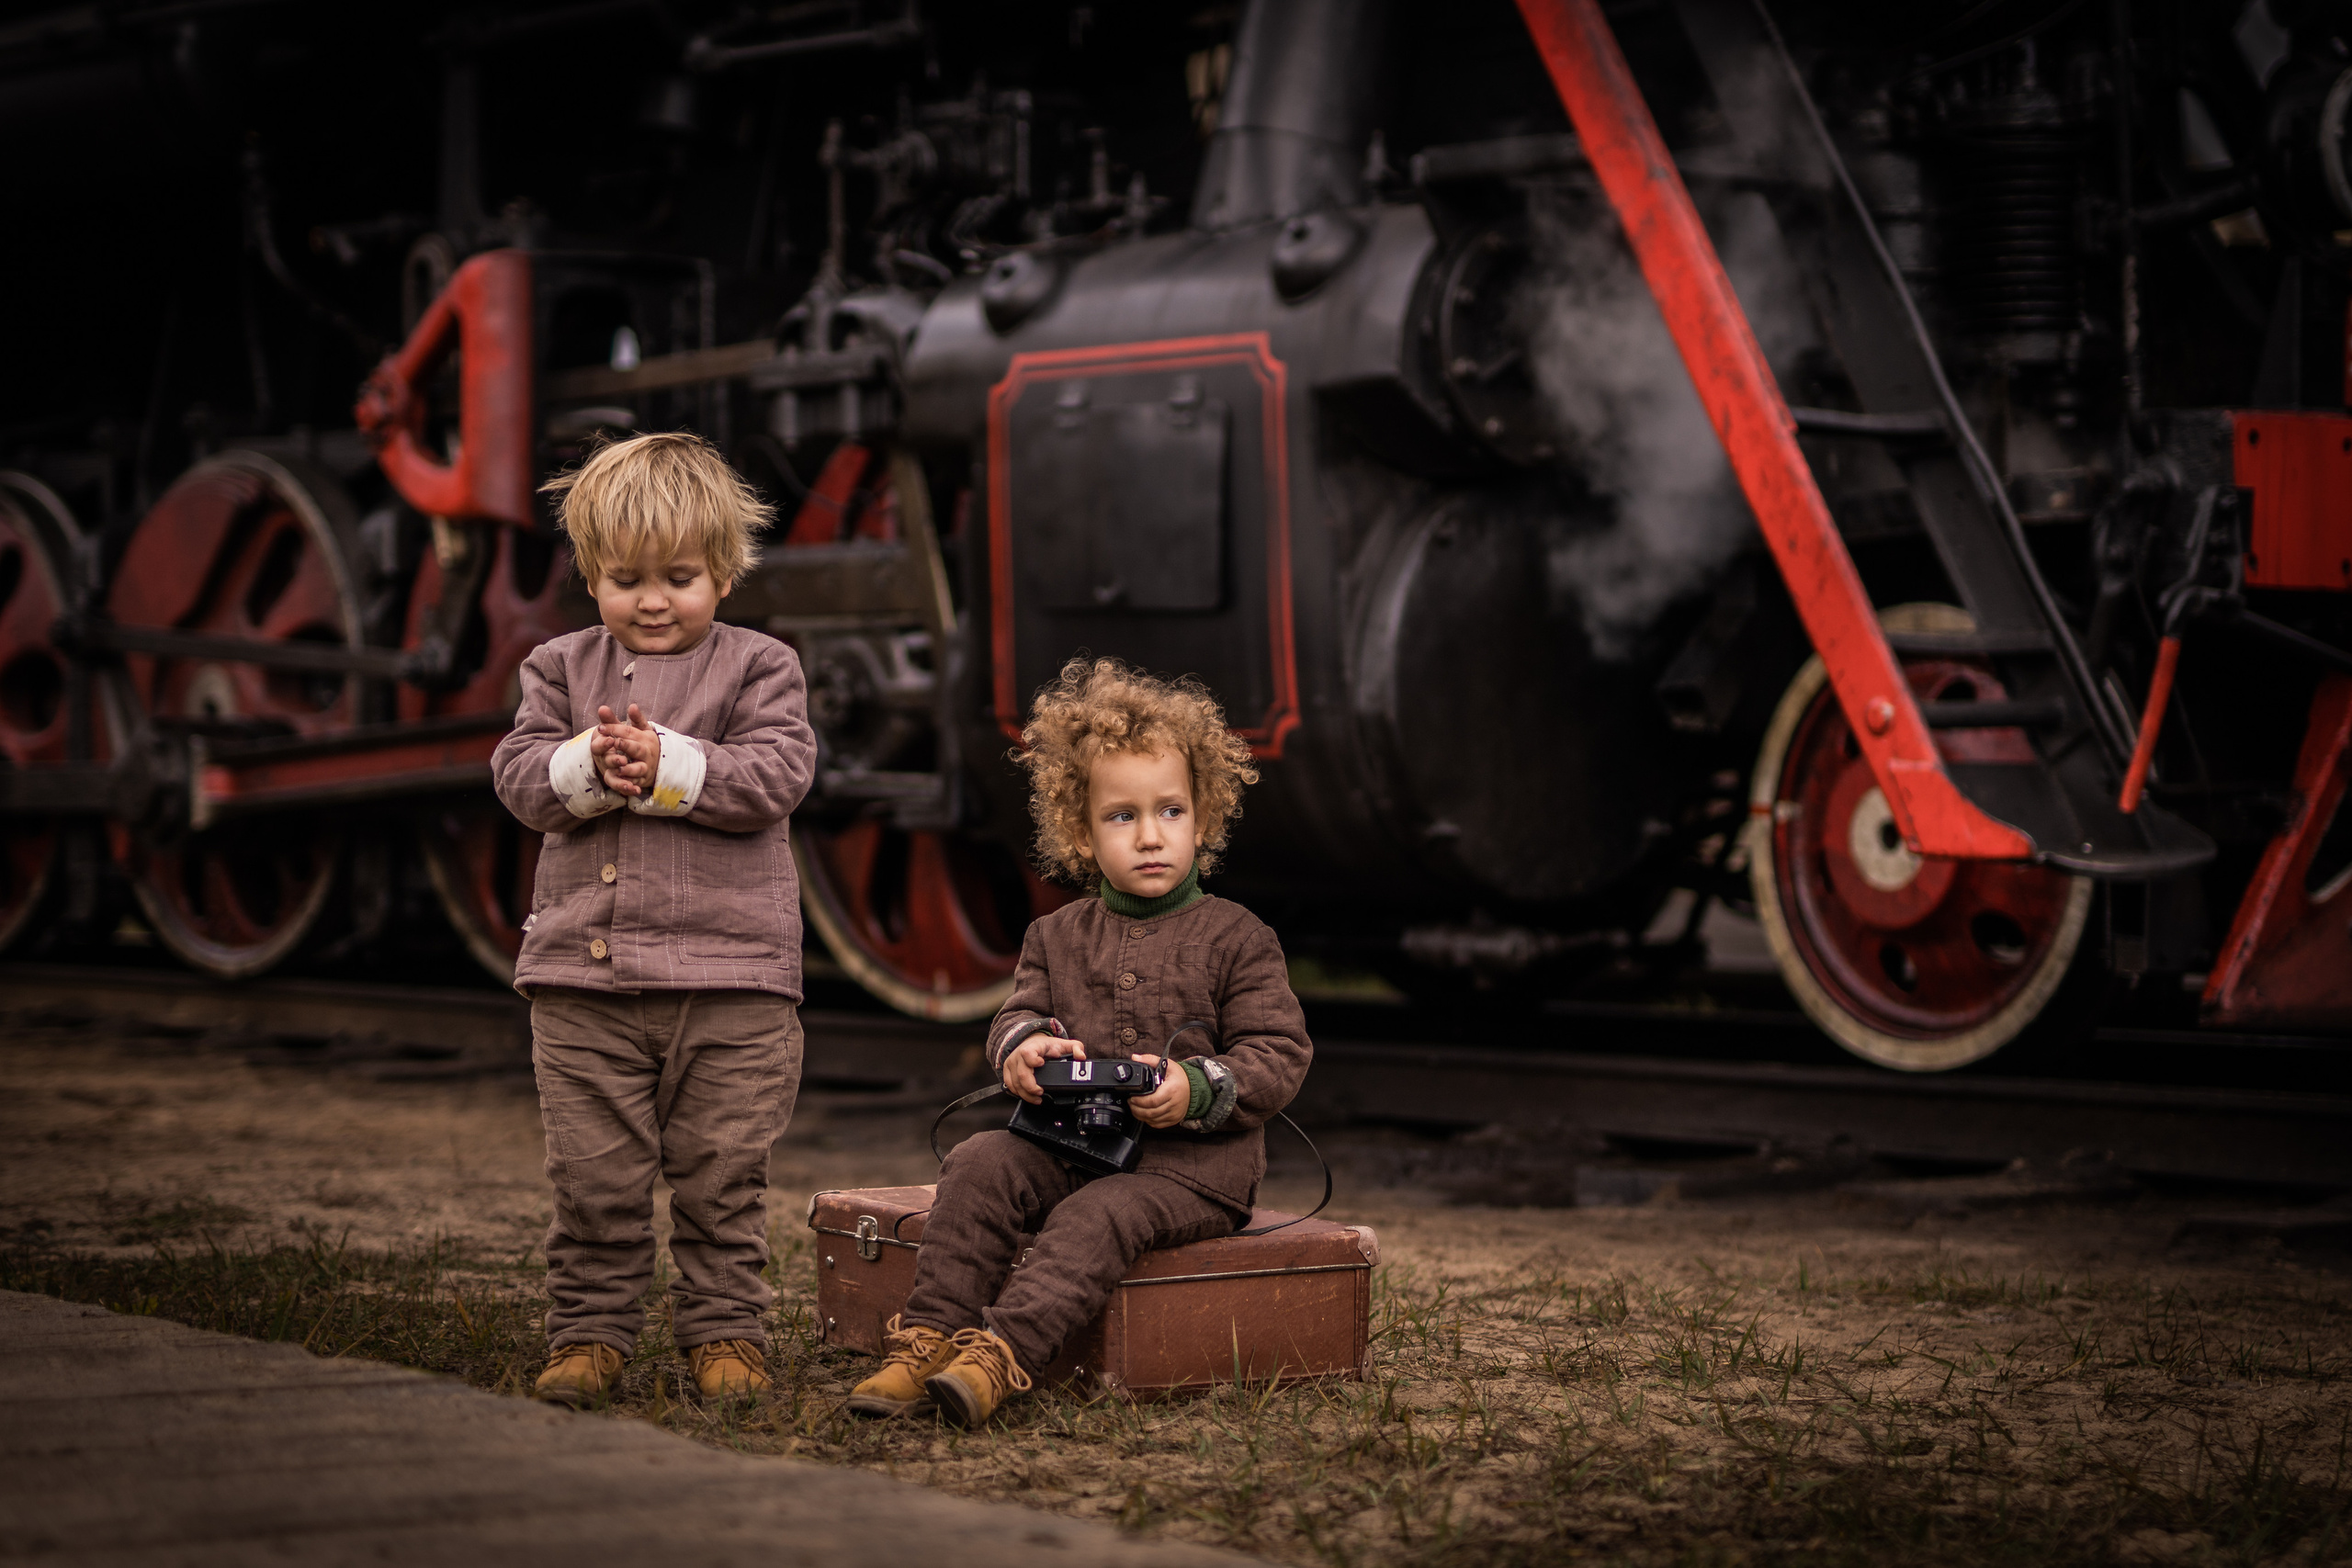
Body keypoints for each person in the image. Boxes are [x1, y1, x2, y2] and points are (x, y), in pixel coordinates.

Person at [848, 656, 1313, 1427]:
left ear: (1204, 814)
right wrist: (1024, 1052)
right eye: (1122, 816)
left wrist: (1195, 1088)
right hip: (1072, 1142)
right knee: (976, 1162)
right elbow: (1018, 1017)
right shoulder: (1054, 935)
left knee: (1098, 1215)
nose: (1151, 835)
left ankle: (1001, 1357)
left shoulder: (1239, 936)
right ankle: (927, 1336)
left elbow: (1279, 1054)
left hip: (1192, 1171)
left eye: (1170, 810)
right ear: (1080, 829)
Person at [491, 432, 815, 1409]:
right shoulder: (556, 667)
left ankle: (726, 1333)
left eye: (679, 576)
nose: (652, 599)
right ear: (591, 575)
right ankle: (591, 1333)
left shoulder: (762, 667)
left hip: (735, 986)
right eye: (625, 577)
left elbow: (779, 774)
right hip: (582, 986)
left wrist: (669, 765)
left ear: (724, 570)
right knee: (594, 1181)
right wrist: (588, 766)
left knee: (723, 1176)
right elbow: (516, 776)